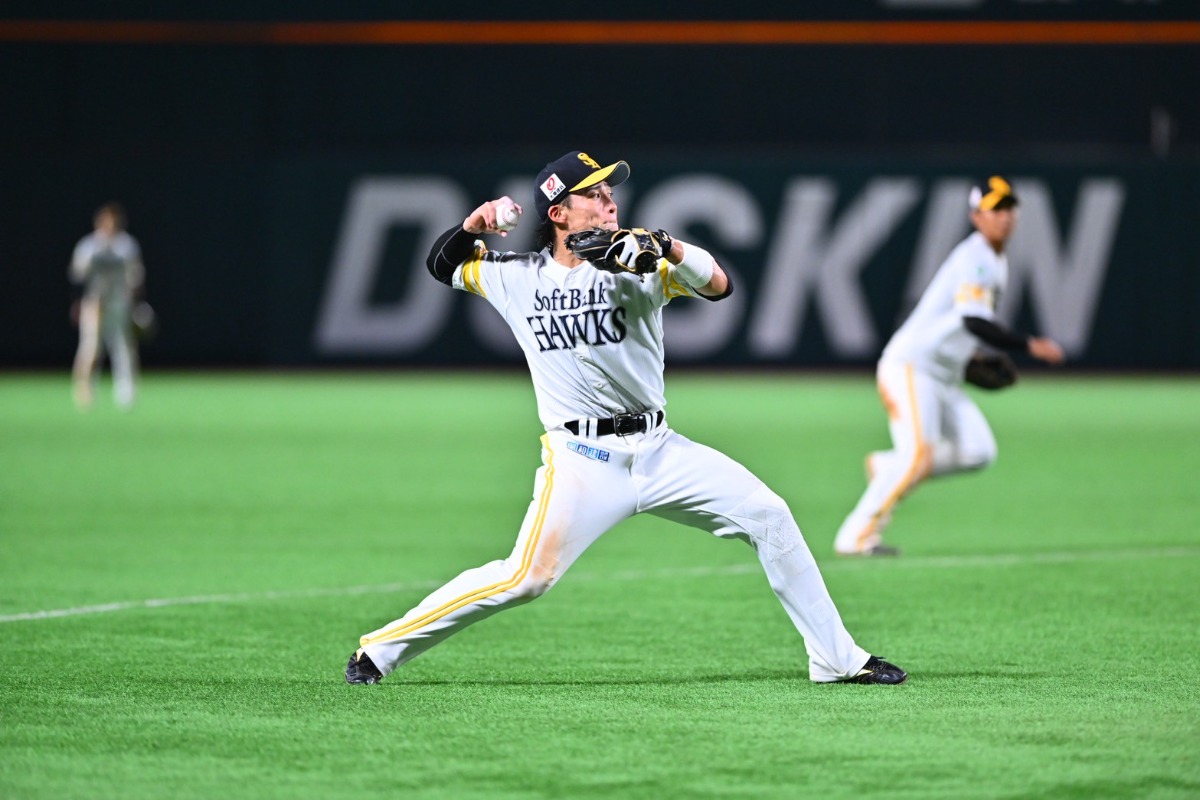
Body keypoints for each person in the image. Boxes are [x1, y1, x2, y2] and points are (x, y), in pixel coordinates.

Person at [345, 150, 906, 686]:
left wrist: (669, 246)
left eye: (612, 193)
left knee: (770, 515)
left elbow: (720, 285)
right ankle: (381, 649)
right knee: (526, 578)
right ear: (558, 211)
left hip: (660, 450)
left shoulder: (638, 262)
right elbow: (442, 266)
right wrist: (472, 226)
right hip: (582, 462)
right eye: (594, 195)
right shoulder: (515, 276)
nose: (610, 202)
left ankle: (837, 659)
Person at [833, 176, 1065, 557]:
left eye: (1009, 208)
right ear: (976, 217)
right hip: (911, 368)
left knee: (978, 451)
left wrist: (968, 358)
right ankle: (856, 536)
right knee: (918, 455)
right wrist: (1029, 344)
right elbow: (974, 321)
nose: (1004, 217)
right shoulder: (975, 258)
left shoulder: (995, 259)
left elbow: (957, 324)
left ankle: (889, 468)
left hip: (944, 373)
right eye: (995, 210)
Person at [69, 202, 145, 410]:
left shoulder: (126, 245)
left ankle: (126, 391)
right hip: (94, 302)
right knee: (91, 347)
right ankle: (84, 389)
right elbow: (77, 276)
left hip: (119, 302)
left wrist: (138, 305)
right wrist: (78, 303)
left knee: (123, 346)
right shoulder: (89, 246)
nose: (108, 224)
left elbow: (136, 277)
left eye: (112, 220)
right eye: (105, 220)